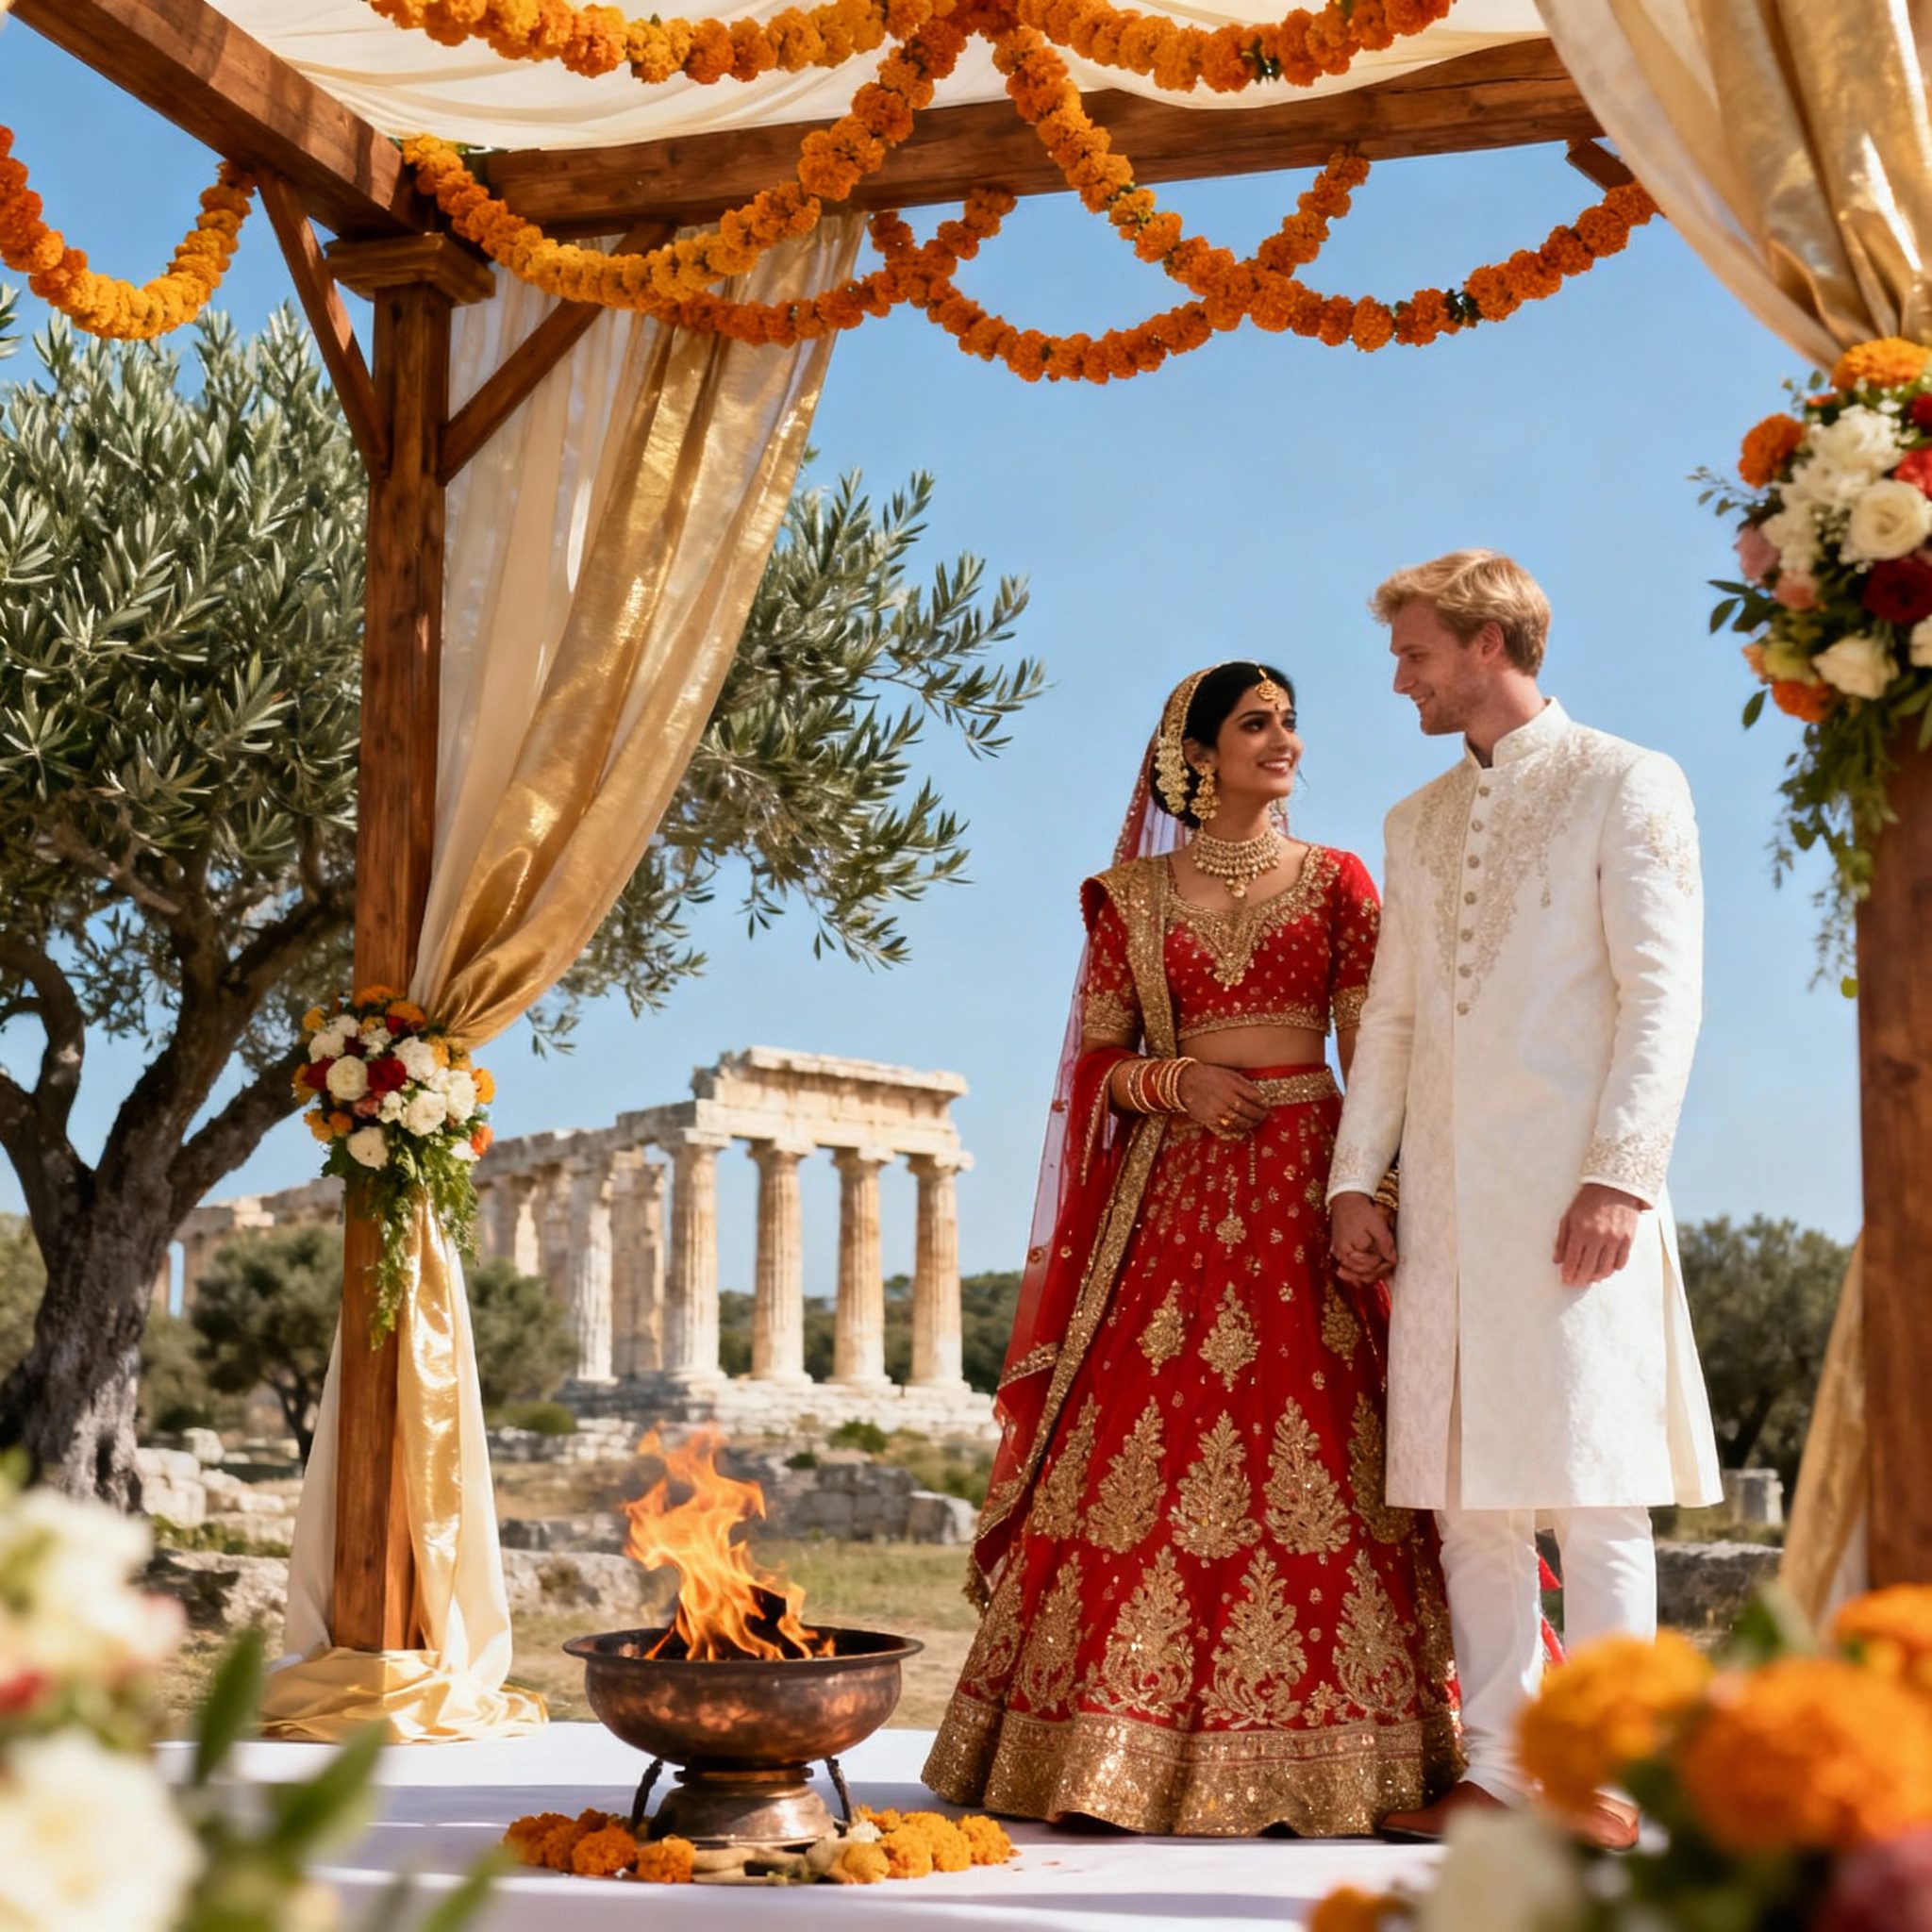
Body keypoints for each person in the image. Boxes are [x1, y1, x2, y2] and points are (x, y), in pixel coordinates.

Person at [923, 662, 1459, 1836]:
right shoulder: (1127, 895)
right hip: (1171, 1192)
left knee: (1317, 1433)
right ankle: (1104, 1748)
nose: (1284, 740)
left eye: (1289, 721)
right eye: (1254, 723)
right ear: (1197, 752)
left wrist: (1372, 1191)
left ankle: (1344, 1747)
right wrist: (1177, 1079)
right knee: (1140, 1444)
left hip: (1310, 1179)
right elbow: (1093, 1065)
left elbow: (1384, 1052)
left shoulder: (1337, 883)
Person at [1327, 551, 1722, 1850]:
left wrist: (1621, 1172)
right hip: (1441, 1207)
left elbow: (1662, 994)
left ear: (1492, 645)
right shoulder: (1415, 821)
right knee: (1466, 1498)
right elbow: (1385, 1021)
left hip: (1575, 1198)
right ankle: (1500, 1769)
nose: (1401, 680)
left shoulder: (1628, 781)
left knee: (1595, 1485)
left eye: (1417, 654)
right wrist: (1356, 1181)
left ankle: (1610, 1776)